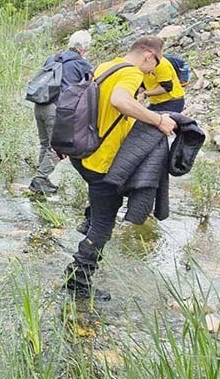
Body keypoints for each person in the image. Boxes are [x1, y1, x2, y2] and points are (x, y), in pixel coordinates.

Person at [64, 36, 177, 301]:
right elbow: (119, 100)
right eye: (157, 62)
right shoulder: (131, 73)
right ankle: (78, 280)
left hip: (83, 154)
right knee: (104, 225)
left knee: (100, 209)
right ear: (149, 55)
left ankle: (90, 222)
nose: (154, 70)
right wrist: (159, 119)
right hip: (102, 162)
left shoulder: (107, 66)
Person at [29, 30, 94, 195]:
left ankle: (41, 177)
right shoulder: (82, 64)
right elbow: (89, 90)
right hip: (58, 110)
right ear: (85, 48)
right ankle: (40, 179)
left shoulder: (54, 57)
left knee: (45, 144)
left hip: (40, 104)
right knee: (59, 147)